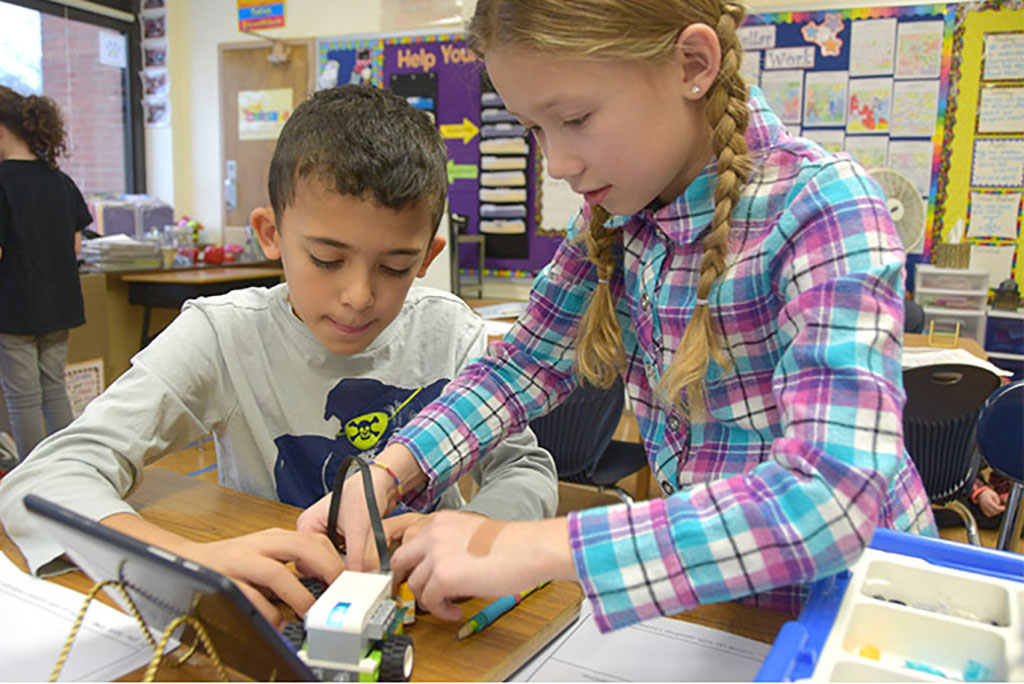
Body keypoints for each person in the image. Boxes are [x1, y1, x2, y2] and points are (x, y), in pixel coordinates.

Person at [300, 0, 936, 631]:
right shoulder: (615, 220)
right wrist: (390, 468)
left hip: (864, 619)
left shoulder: (825, 208)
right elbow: (521, 366)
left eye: (575, 118)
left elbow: (830, 499)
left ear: (693, 63)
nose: (558, 163)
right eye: (534, 129)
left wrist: (536, 547)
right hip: (718, 619)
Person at [0, 85, 557, 626]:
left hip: (421, 613)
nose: (359, 296)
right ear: (271, 234)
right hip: (281, 615)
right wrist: (181, 560)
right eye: (325, 258)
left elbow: (526, 468)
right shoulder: (222, 335)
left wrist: (477, 531)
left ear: (428, 256)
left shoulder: (451, 332)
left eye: (394, 267)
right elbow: (44, 477)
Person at [0, 86, 89, 461]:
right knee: (54, 390)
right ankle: (67, 473)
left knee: (22, 400)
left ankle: (32, 483)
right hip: (58, 305)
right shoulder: (60, 180)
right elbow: (76, 246)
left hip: (14, 309)